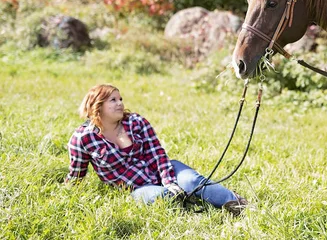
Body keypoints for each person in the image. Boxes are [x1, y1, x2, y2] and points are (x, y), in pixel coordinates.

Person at [65, 84, 247, 215]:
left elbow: (157, 154)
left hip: (164, 170)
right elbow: (76, 174)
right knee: (162, 196)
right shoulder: (83, 138)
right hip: (136, 187)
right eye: (113, 100)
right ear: (97, 105)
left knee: (192, 181)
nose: (120, 103)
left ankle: (238, 204)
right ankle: (189, 202)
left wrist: (169, 180)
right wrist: (66, 195)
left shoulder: (135, 122)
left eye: (120, 99)